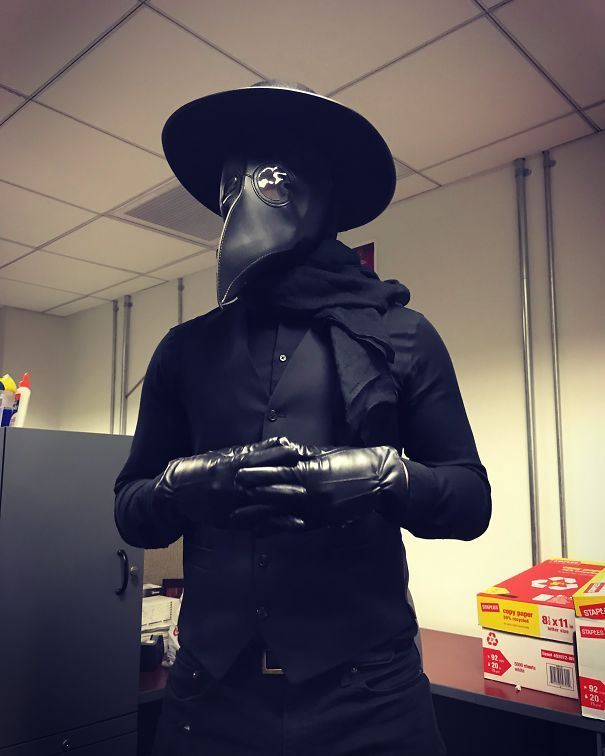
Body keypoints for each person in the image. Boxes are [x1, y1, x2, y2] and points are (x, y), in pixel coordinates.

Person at [114, 80, 491, 756]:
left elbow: (470, 499)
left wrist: (384, 477)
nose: (243, 201)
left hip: (370, 701)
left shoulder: (401, 335)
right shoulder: (185, 350)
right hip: (211, 700)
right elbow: (130, 508)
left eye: (268, 180)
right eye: (231, 184)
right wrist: (179, 487)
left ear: (323, 196)